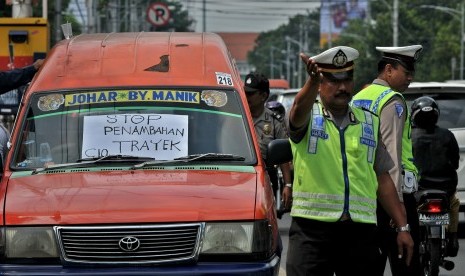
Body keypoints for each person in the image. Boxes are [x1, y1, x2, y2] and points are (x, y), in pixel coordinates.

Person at [286, 46, 413, 276]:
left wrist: (402, 226)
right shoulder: (309, 117)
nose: (343, 87)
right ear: (321, 83)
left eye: (348, 79)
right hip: (312, 231)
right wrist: (311, 83)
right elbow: (297, 110)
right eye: (333, 80)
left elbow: (382, 178)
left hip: (359, 232)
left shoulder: (368, 121)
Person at [351, 45, 423, 276]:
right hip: (393, 194)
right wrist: (398, 208)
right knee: (407, 262)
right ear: (389, 70)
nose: (410, 78)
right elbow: (391, 154)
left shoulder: (358, 98)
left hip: (365, 193)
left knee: (370, 264)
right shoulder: (393, 100)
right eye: (407, 72)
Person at [410, 96, 460, 257]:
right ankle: (452, 237)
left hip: (418, 188)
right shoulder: (447, 135)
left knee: (406, 209)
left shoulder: (409, 136)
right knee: (454, 204)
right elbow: (456, 162)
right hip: (446, 188)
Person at [244, 72, 293, 211]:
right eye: (245, 92)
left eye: (251, 94)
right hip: (241, 175)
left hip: (266, 176)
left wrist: (288, 185)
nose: (246, 97)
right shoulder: (237, 117)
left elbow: (283, 155)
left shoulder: (274, 120)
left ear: (263, 96)